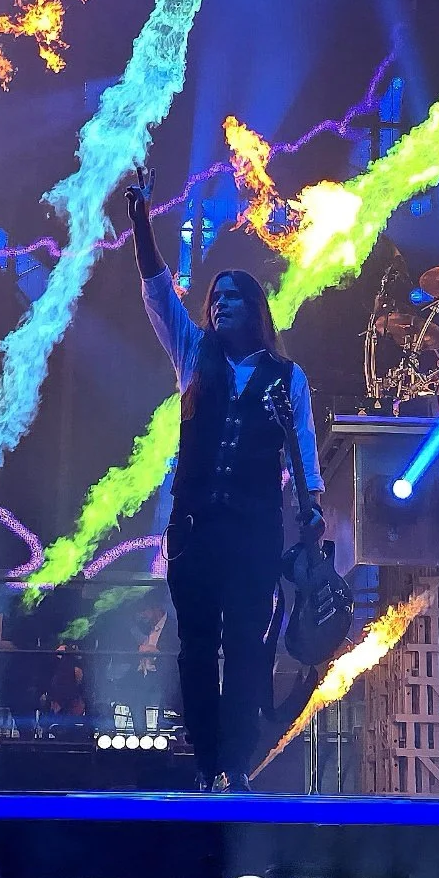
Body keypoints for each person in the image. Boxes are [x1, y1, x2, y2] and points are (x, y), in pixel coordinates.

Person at [126, 167, 324, 791]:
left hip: (253, 534)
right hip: (195, 531)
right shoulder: (193, 354)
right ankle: (206, 762)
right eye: (214, 298)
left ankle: (235, 764)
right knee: (195, 646)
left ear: (255, 309)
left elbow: (305, 454)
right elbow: (157, 291)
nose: (219, 305)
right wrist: (141, 222)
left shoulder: (287, 377)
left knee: (246, 648)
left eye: (232, 297)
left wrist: (314, 513)